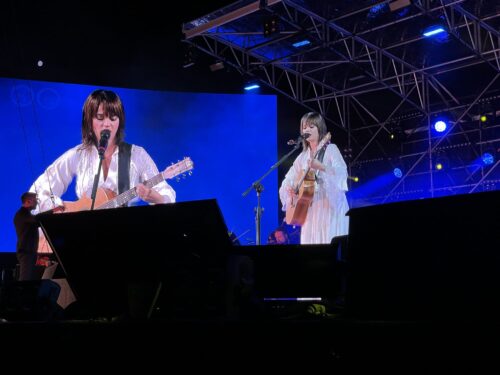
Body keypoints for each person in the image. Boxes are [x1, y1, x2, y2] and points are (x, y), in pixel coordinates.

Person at [30, 89, 176, 215]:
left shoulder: (137, 154)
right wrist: (60, 210)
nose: (107, 123)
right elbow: (38, 191)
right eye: (100, 117)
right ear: (89, 121)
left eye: (113, 118)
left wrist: (157, 198)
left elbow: (164, 192)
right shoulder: (78, 154)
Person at [279, 112, 349, 244]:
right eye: (305, 127)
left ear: (320, 129)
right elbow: (288, 179)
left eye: (312, 127)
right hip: (311, 210)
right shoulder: (302, 157)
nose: (307, 130)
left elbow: (342, 174)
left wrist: (322, 167)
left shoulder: (330, 149)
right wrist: (290, 189)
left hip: (329, 206)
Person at [13, 192, 40, 281]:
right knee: (25, 280)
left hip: (30, 252)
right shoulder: (22, 214)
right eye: (35, 200)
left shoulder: (27, 215)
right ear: (28, 201)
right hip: (25, 252)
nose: (37, 202)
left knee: (29, 279)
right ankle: (21, 295)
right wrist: (53, 211)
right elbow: (38, 219)